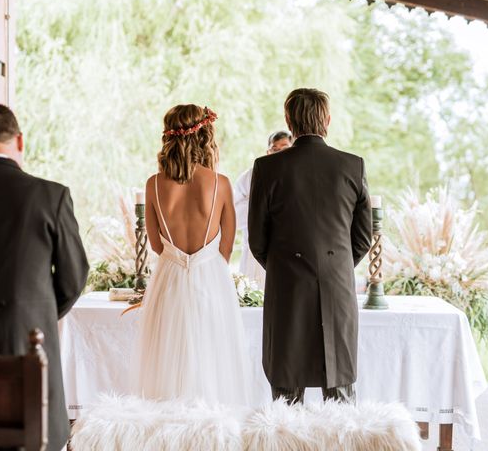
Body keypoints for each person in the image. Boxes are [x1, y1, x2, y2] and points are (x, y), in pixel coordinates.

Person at [0, 103, 89, 451]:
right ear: (19, 141)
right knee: (32, 435)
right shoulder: (51, 196)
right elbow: (74, 277)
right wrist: (34, 313)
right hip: (29, 342)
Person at [248, 88, 371, 404]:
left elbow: (257, 240)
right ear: (327, 120)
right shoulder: (352, 166)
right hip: (338, 284)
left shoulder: (267, 168)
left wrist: (287, 267)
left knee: (287, 395)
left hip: (287, 287)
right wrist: (334, 265)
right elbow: (362, 238)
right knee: (340, 392)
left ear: (289, 121)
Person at [135, 104, 250, 405]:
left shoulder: (153, 185)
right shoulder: (220, 183)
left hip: (169, 276)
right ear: (204, 137)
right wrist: (204, 263)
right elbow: (227, 244)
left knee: (167, 355)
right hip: (210, 277)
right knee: (212, 355)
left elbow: (157, 245)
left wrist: (178, 259)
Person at [234, 131, 292, 288]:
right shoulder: (251, 176)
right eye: (275, 149)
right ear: (268, 151)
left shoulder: (297, 176)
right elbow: (234, 215)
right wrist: (263, 208)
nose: (279, 153)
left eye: (285, 148)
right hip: (254, 251)